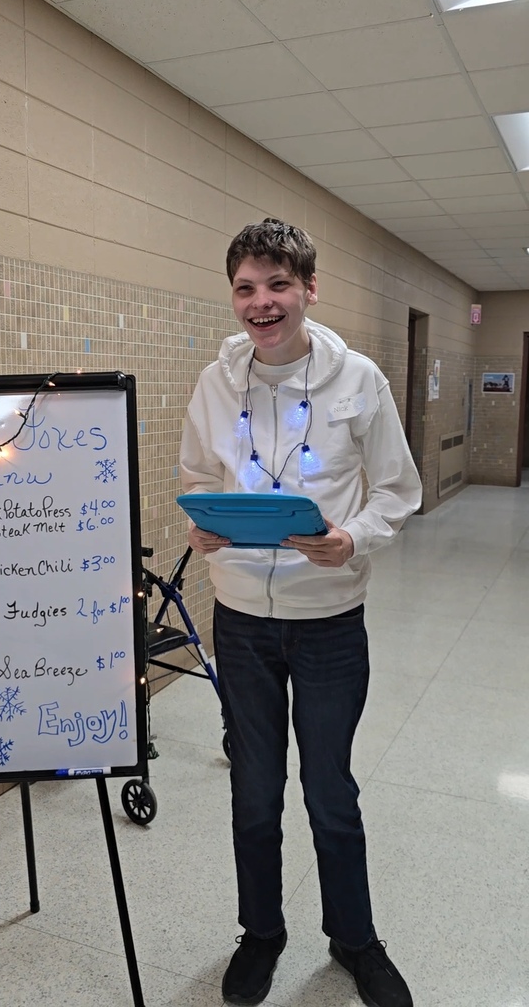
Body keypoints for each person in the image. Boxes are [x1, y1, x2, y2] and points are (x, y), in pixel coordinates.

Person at [179, 218, 422, 1007]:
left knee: (328, 790)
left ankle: (355, 939)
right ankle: (262, 933)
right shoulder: (215, 382)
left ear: (309, 290)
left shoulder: (359, 381)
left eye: (278, 284)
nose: (261, 302)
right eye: (246, 288)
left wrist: (352, 537)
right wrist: (203, 524)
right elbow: (194, 474)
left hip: (328, 624)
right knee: (254, 789)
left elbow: (397, 490)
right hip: (242, 619)